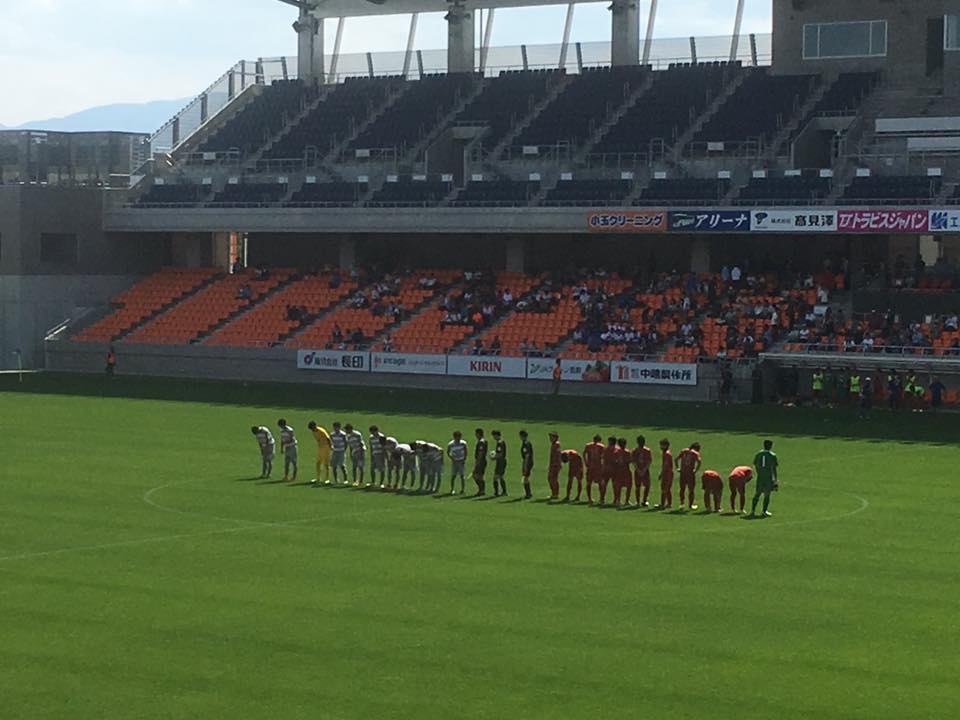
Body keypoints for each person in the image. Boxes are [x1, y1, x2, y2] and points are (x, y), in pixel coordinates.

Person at [749, 440, 779, 518]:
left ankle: (752, 511)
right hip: (768, 478)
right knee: (767, 495)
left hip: (760, 478)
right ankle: (764, 511)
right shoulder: (772, 455)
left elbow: (755, 464)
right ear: (770, 446)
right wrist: (775, 480)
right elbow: (774, 468)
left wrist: (759, 472)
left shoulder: (758, 454)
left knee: (757, 494)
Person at [675, 442, 702, 510]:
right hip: (690, 474)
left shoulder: (684, 451)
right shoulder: (695, 453)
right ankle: (690, 505)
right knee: (691, 490)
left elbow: (676, 459)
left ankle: (682, 504)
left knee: (682, 489)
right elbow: (699, 461)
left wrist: (677, 468)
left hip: (682, 473)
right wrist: (696, 470)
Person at [307, 421, 332, 485]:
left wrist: (330, 447)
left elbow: (328, 438)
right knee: (318, 463)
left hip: (326, 447)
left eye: (312, 428)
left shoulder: (321, 430)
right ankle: (318, 478)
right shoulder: (313, 431)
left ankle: (327, 479)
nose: (312, 430)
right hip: (320, 447)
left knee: (326, 464)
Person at [631, 435, 653, 508]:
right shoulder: (636, 450)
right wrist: (641, 470)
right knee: (639, 486)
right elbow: (634, 461)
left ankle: (642, 501)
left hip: (642, 470)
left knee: (645, 486)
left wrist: (642, 470)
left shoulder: (645, 450)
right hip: (642, 471)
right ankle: (639, 501)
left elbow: (648, 461)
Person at [583, 434, 605, 504]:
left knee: (589, 483)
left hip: (590, 466)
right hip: (597, 467)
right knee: (600, 483)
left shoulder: (588, 445)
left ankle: (589, 499)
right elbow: (603, 456)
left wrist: (586, 462)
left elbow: (584, 454)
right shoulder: (601, 446)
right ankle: (601, 499)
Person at [447, 431, 468, 495]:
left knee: (462, 476)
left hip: (461, 461)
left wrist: (464, 459)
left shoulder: (463, 443)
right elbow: (448, 452)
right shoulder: (451, 444)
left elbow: (466, 451)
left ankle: (462, 489)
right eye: (457, 437)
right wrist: (452, 458)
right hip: (455, 462)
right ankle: (452, 489)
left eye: (459, 437)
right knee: (453, 476)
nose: (458, 439)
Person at [612, 438, 633, 506]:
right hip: (626, 470)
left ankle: (618, 500)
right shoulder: (627, 452)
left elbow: (614, 461)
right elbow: (629, 461)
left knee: (618, 486)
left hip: (619, 471)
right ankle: (626, 501)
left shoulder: (616, 452)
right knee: (628, 486)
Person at [655, 439, 674, 509]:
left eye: (662, 445)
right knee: (668, 489)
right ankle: (669, 504)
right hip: (669, 473)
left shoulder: (667, 454)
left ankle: (662, 504)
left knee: (664, 489)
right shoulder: (665, 453)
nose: (660, 446)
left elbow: (666, 465)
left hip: (667, 474)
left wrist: (661, 474)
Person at [600, 437, 618, 505]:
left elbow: (603, 459)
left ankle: (602, 499)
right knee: (614, 485)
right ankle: (615, 500)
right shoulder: (617, 449)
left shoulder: (606, 449)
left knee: (604, 485)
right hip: (613, 470)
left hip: (607, 469)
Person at [491, 430, 508, 497]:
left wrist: (494, 457)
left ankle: (497, 492)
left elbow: (500, 453)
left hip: (501, 462)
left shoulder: (500, 443)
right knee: (500, 477)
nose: (493, 437)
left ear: (496, 435)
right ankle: (503, 492)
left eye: (494, 435)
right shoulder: (501, 442)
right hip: (501, 462)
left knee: (496, 477)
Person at [472, 428, 488, 496]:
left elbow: (480, 453)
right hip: (482, 461)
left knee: (476, 475)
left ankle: (481, 490)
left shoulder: (481, 442)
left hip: (481, 461)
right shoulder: (483, 441)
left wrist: (477, 462)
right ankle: (481, 490)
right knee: (478, 476)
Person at [547, 432, 562, 500]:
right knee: (550, 478)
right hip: (552, 464)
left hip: (555, 465)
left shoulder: (556, 445)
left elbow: (558, 455)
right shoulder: (553, 444)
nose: (550, 439)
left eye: (551, 437)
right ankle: (554, 493)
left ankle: (555, 494)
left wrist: (557, 464)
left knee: (553, 479)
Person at [519, 430, 534, 500]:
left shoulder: (525, 444)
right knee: (525, 478)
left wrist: (525, 465)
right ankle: (528, 493)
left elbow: (527, 455)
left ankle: (528, 493)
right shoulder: (527, 443)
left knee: (525, 478)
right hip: (528, 462)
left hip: (527, 462)